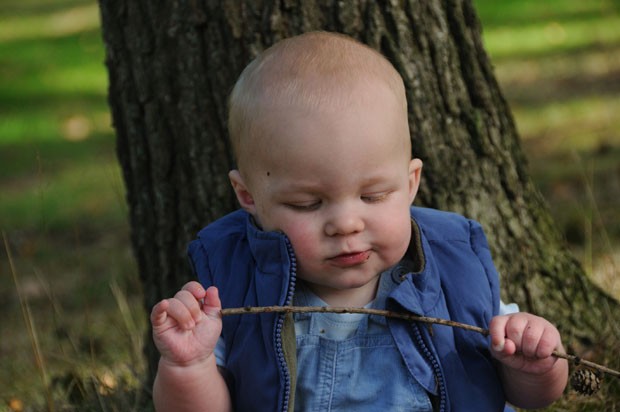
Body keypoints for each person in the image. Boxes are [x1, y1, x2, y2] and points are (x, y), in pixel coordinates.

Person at [150, 31, 568, 411]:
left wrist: (533, 366)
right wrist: (189, 365)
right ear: (249, 197)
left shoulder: (455, 274)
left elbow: (530, 398)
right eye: (307, 204)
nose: (346, 224)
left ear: (410, 184)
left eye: (373, 196)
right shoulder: (232, 287)